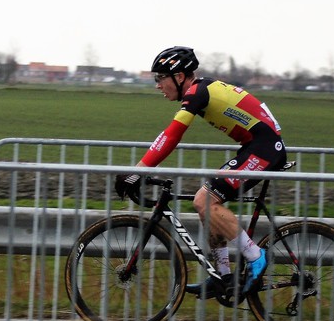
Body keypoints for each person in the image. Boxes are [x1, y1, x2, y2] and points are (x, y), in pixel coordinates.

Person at [115, 46, 287, 298]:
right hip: (256, 147)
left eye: (160, 78)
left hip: (264, 149)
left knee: (205, 200)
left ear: (180, 76)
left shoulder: (197, 93)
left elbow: (172, 134)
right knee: (207, 204)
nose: (157, 85)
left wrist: (138, 170)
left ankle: (255, 256)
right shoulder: (201, 90)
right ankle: (223, 277)